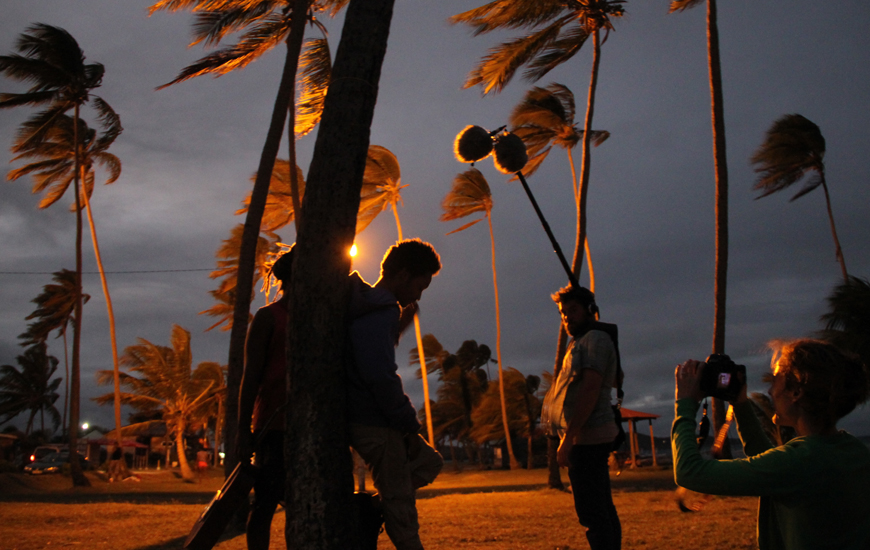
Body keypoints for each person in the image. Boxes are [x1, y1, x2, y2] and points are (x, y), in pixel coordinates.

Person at [673, 338, 870, 550]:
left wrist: (685, 403)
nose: (769, 391)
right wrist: (740, 404)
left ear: (796, 392)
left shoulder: (800, 461)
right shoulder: (852, 450)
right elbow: (774, 467)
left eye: (774, 380)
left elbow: (689, 472)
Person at [346, 239, 444, 550]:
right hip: (375, 421)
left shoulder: (369, 305)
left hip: (370, 416)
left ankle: (376, 506)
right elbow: (378, 373)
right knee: (402, 510)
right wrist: (406, 421)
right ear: (402, 275)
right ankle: (384, 511)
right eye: (419, 286)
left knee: (430, 463)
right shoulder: (383, 308)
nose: (418, 295)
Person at [545, 285, 621, 550]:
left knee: (592, 512)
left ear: (590, 310)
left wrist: (568, 438)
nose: (567, 318)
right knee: (600, 507)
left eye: (573, 311)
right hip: (584, 436)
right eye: (563, 314)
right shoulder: (581, 341)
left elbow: (590, 389)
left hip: (589, 437)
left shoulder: (595, 340)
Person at [237, 247, 295, 550]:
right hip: (273, 426)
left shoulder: (320, 318)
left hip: (306, 428)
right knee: (265, 503)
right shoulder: (268, 317)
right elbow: (251, 379)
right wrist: (243, 432)